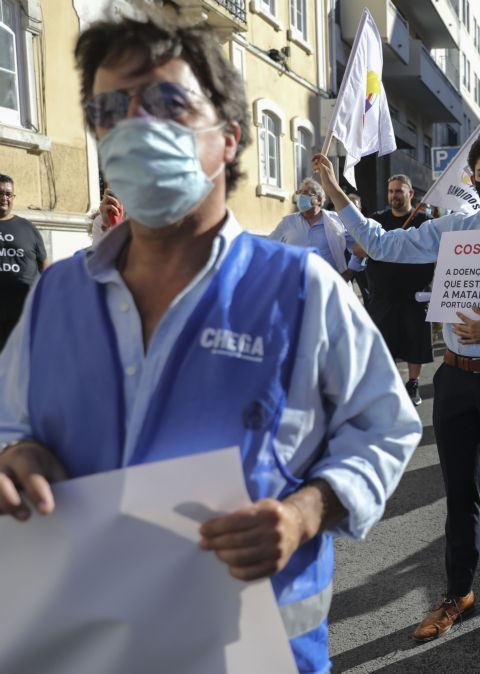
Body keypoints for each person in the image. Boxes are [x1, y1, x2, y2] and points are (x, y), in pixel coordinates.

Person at [0, 18, 421, 674]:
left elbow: (384, 430)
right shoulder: (55, 296)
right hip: (77, 648)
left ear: (227, 138)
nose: (136, 125)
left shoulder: (301, 289)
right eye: (111, 108)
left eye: (166, 103)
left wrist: (306, 511)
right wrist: (17, 452)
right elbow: (9, 422)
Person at [312, 130, 480, 649]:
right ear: (472, 180)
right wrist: (337, 194)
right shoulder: (453, 230)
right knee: (460, 493)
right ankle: (458, 593)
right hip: (455, 378)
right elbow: (382, 243)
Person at [361, 174, 435, 407]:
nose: (394, 195)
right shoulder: (377, 220)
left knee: (416, 343)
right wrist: (383, 244)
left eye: (399, 191)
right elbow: (359, 247)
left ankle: (412, 384)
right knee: (384, 345)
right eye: (391, 191)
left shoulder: (425, 221)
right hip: (383, 297)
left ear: (410, 194)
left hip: (415, 295)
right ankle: (389, 385)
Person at [0, 174, 46, 351]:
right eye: (0, 193)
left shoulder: (27, 228)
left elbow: (45, 267)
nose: (4, 198)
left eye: (8, 194)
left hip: (23, 315)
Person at [269, 178, 350, 277]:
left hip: (326, 283)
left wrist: (350, 272)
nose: (301, 196)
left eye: (306, 193)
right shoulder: (288, 222)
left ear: (319, 200)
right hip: (296, 284)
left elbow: (357, 244)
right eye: (300, 193)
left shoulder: (335, 220)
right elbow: (269, 246)